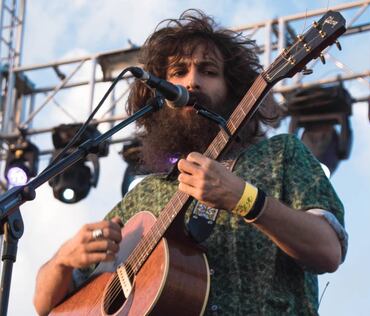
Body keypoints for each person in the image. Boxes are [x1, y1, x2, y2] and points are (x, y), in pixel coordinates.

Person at [34, 9, 348, 316]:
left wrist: (246, 199)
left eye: (208, 72)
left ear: (234, 89)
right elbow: (45, 304)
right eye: (178, 73)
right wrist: (63, 260)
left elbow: (328, 251)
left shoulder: (280, 155)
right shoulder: (144, 197)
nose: (192, 82)